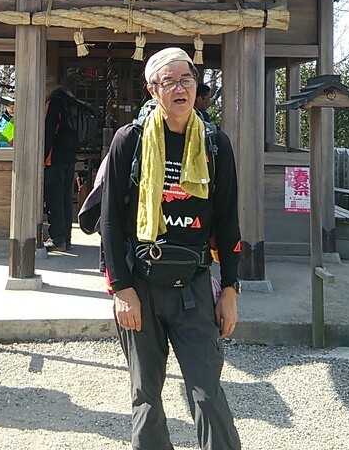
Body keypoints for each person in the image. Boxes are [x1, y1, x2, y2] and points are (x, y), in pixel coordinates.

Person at [99, 47, 242, 450]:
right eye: (169, 81)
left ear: (197, 86)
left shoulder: (215, 143)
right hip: (141, 283)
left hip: (193, 284)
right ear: (152, 89)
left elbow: (228, 219)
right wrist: (121, 289)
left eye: (187, 79)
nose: (180, 88)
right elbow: (110, 221)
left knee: (207, 391)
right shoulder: (130, 140)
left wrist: (230, 289)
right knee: (146, 394)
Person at [43, 79, 79, 252]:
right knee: (65, 199)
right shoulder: (72, 104)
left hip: (54, 157)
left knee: (54, 199)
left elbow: (49, 131)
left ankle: (57, 238)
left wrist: (42, 155)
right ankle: (66, 238)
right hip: (70, 156)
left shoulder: (54, 104)